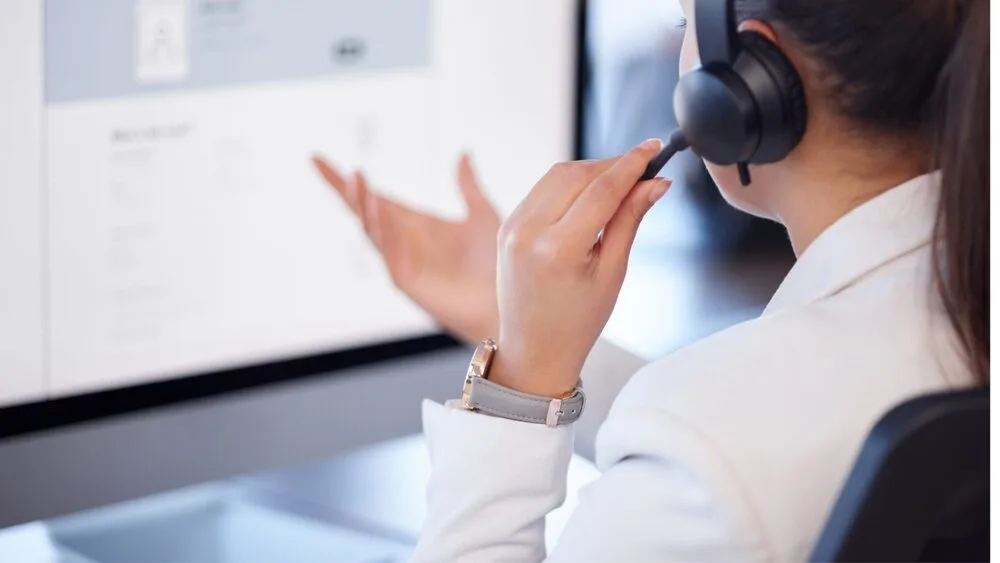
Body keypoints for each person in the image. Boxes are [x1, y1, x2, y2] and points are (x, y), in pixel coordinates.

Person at [312, 0, 989, 560]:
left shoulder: (710, 445)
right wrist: (520, 326)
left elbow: (716, 439)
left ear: (752, 75)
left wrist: (514, 385)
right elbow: (747, 416)